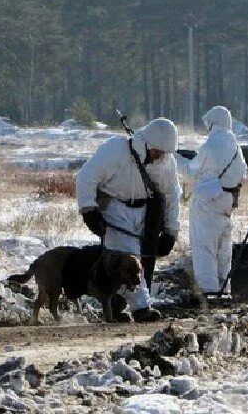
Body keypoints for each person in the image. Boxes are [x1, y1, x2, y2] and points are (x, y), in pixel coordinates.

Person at [76, 117, 182, 322]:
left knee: (142, 260)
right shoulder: (116, 150)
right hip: (115, 208)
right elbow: (86, 177)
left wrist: (170, 231)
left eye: (163, 152)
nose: (159, 155)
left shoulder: (167, 163)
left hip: (145, 211)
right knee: (129, 258)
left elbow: (171, 196)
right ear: (146, 144)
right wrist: (88, 209)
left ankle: (115, 303)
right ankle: (141, 307)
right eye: (156, 151)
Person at [179, 106, 247, 297]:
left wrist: (175, 158)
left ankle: (208, 289)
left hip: (207, 202)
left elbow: (191, 171)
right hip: (227, 201)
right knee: (224, 249)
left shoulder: (211, 144)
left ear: (213, 123)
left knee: (204, 246)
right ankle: (224, 288)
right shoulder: (235, 146)